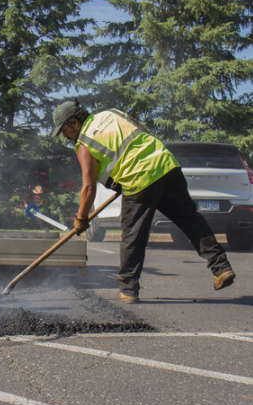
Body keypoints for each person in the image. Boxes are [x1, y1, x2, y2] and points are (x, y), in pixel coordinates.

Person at [51, 100, 235, 303]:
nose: (65, 136)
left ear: (74, 122)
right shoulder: (114, 112)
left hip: (139, 180)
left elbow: (88, 187)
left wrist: (80, 219)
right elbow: (143, 132)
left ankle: (128, 290)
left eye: (64, 130)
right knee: (190, 220)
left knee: (132, 236)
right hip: (166, 165)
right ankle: (221, 268)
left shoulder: (84, 143)